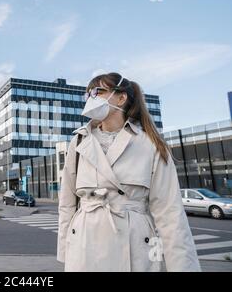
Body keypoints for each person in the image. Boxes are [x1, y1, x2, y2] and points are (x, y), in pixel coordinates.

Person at [57, 72, 200, 272]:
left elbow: (170, 213)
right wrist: (66, 249)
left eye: (98, 91)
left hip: (136, 246)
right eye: (88, 94)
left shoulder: (150, 144)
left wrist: (182, 267)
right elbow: (67, 203)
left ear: (121, 97)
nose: (91, 98)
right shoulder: (79, 142)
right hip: (84, 244)